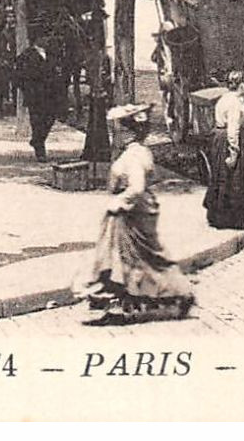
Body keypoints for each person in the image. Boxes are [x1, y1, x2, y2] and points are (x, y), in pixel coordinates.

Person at [76, 103, 195, 325]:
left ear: (127, 132)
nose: (115, 135)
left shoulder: (132, 157)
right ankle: (154, 296)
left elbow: (137, 187)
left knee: (135, 257)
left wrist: (119, 202)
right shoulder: (141, 151)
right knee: (142, 257)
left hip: (133, 212)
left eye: (118, 130)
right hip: (139, 208)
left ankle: (171, 294)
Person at [203, 71, 244, 235]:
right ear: (241, 83)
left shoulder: (225, 98)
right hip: (228, 141)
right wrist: (233, 153)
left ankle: (219, 217)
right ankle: (237, 221)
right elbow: (233, 130)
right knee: (237, 180)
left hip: (219, 140)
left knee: (221, 178)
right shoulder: (234, 103)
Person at [15, 38, 65, 161]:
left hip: (50, 94)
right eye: (44, 37)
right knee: (37, 122)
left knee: (50, 119)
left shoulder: (52, 53)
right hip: (35, 95)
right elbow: (18, 76)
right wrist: (27, 90)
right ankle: (40, 151)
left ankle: (36, 140)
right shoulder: (26, 55)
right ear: (37, 39)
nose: (47, 40)